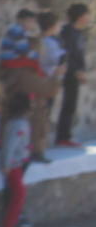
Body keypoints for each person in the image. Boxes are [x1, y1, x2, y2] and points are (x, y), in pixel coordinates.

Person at [31, 10, 67, 162]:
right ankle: (37, 151)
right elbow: (56, 65)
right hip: (46, 83)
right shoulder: (50, 44)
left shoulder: (36, 41)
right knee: (41, 118)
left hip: (37, 83)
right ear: (52, 25)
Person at [0, 89, 33, 227]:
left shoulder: (16, 122)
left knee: (17, 193)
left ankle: (12, 221)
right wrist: (6, 164)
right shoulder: (18, 124)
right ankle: (10, 224)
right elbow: (10, 146)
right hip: (14, 165)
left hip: (17, 163)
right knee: (19, 193)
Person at [56, 2, 89, 148]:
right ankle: (62, 137)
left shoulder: (78, 33)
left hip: (75, 75)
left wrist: (82, 71)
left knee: (71, 105)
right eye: (87, 14)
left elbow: (79, 55)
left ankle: (65, 135)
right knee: (67, 104)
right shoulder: (67, 32)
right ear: (80, 16)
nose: (89, 18)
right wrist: (76, 71)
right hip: (67, 74)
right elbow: (67, 55)